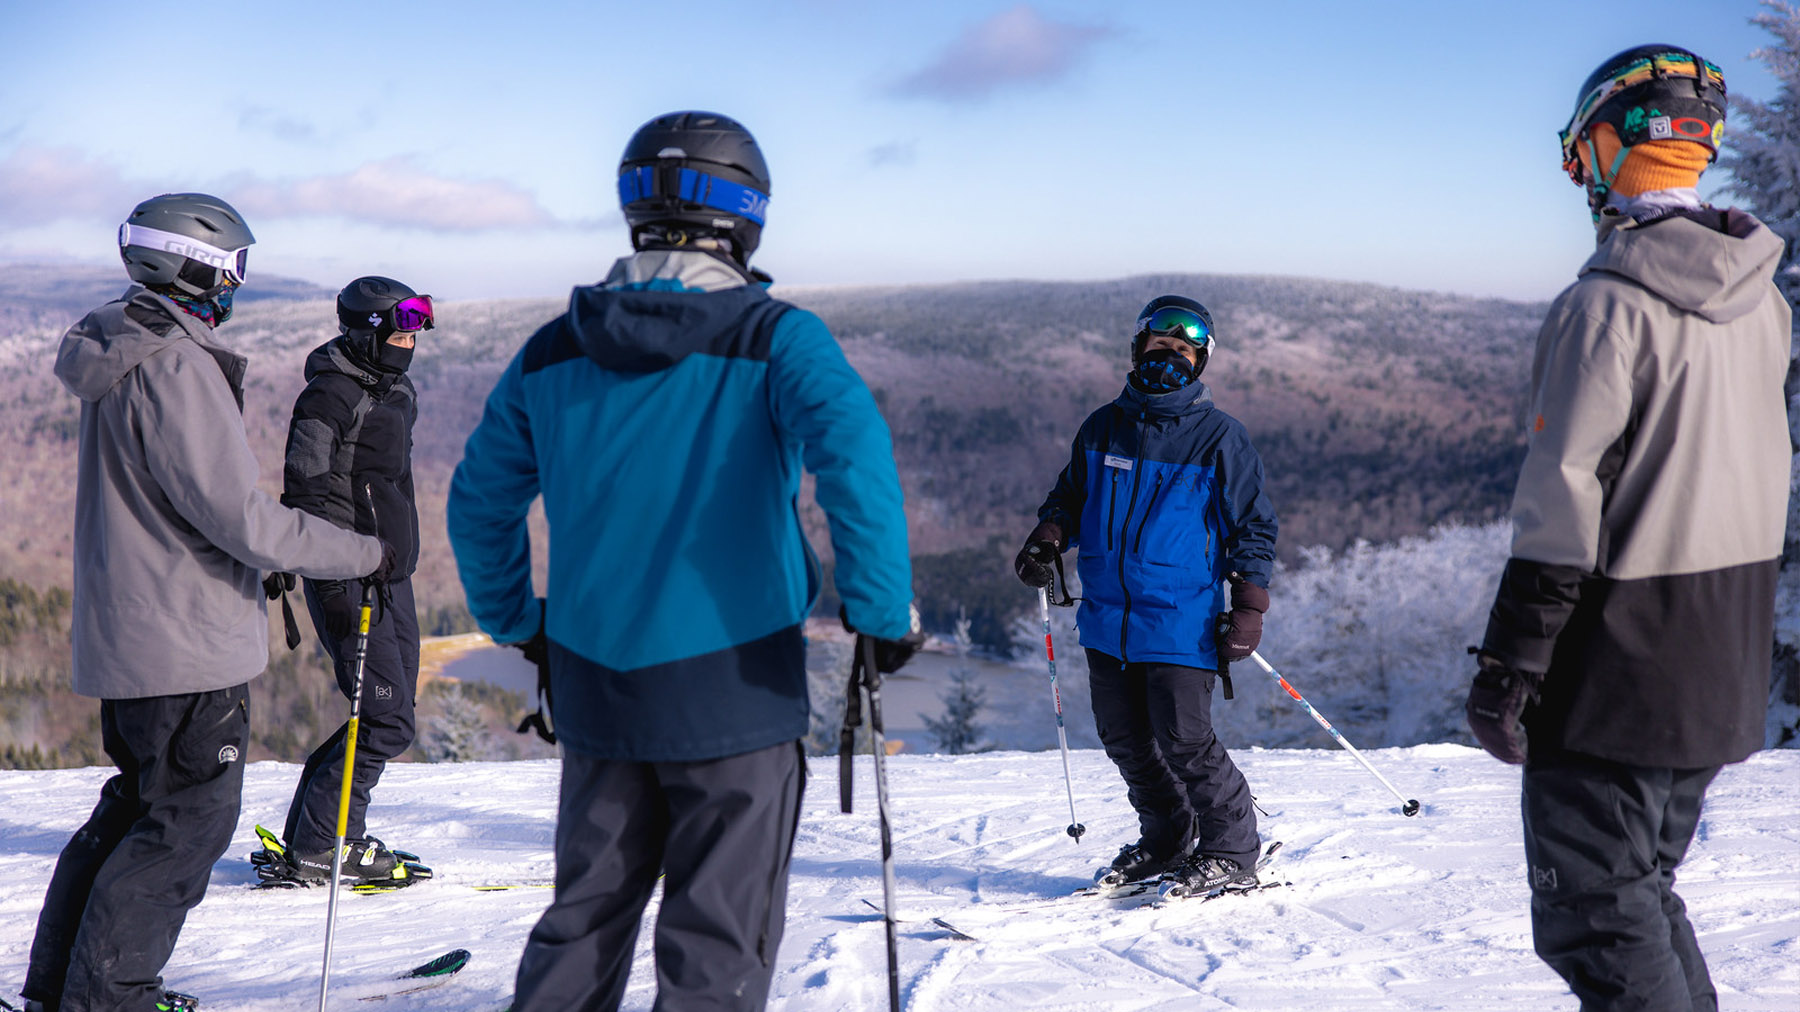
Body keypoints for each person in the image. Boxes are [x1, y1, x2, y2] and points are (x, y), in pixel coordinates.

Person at [446, 110, 920, 1012]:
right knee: (717, 949)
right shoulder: (776, 337)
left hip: (594, 683)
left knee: (584, 920)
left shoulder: (552, 349)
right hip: (737, 689)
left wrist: (519, 623)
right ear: (747, 217)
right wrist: (879, 615)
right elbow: (855, 464)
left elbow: (479, 503)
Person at [1468, 45, 1788, 1011]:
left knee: (1597, 912)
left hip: (1619, 666)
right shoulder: (1763, 304)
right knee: (1639, 890)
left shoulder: (1603, 308)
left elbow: (1564, 497)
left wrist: (1512, 663)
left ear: (1607, 148)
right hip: (1722, 654)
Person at [25, 194, 389, 1012]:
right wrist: (360, 552)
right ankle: (111, 997)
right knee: (185, 826)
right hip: (185, 641)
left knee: (135, 812)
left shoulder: (124, 345)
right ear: (189, 267)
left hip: (135, 634)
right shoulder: (176, 366)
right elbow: (238, 517)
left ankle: (65, 991)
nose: (236, 285)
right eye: (230, 269)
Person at [1016, 295, 1278, 897]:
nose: (1169, 359)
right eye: (1160, 347)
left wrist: (1249, 605)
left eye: (1183, 352)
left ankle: (1231, 848)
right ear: (1139, 350)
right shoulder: (1103, 427)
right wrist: (1049, 536)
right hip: (1107, 618)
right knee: (1125, 739)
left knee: (1184, 740)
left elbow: (1254, 527)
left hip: (1180, 618)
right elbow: (1070, 499)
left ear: (1199, 363)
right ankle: (1166, 837)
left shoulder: (1220, 437)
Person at [254, 276, 433, 887]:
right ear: (368, 331)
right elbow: (304, 490)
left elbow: (391, 486)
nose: (412, 341)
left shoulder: (397, 391)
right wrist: (326, 571)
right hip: (344, 575)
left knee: (391, 712)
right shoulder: (328, 396)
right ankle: (328, 845)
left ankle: (314, 838)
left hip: (392, 576)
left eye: (417, 330)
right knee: (384, 718)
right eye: (402, 330)